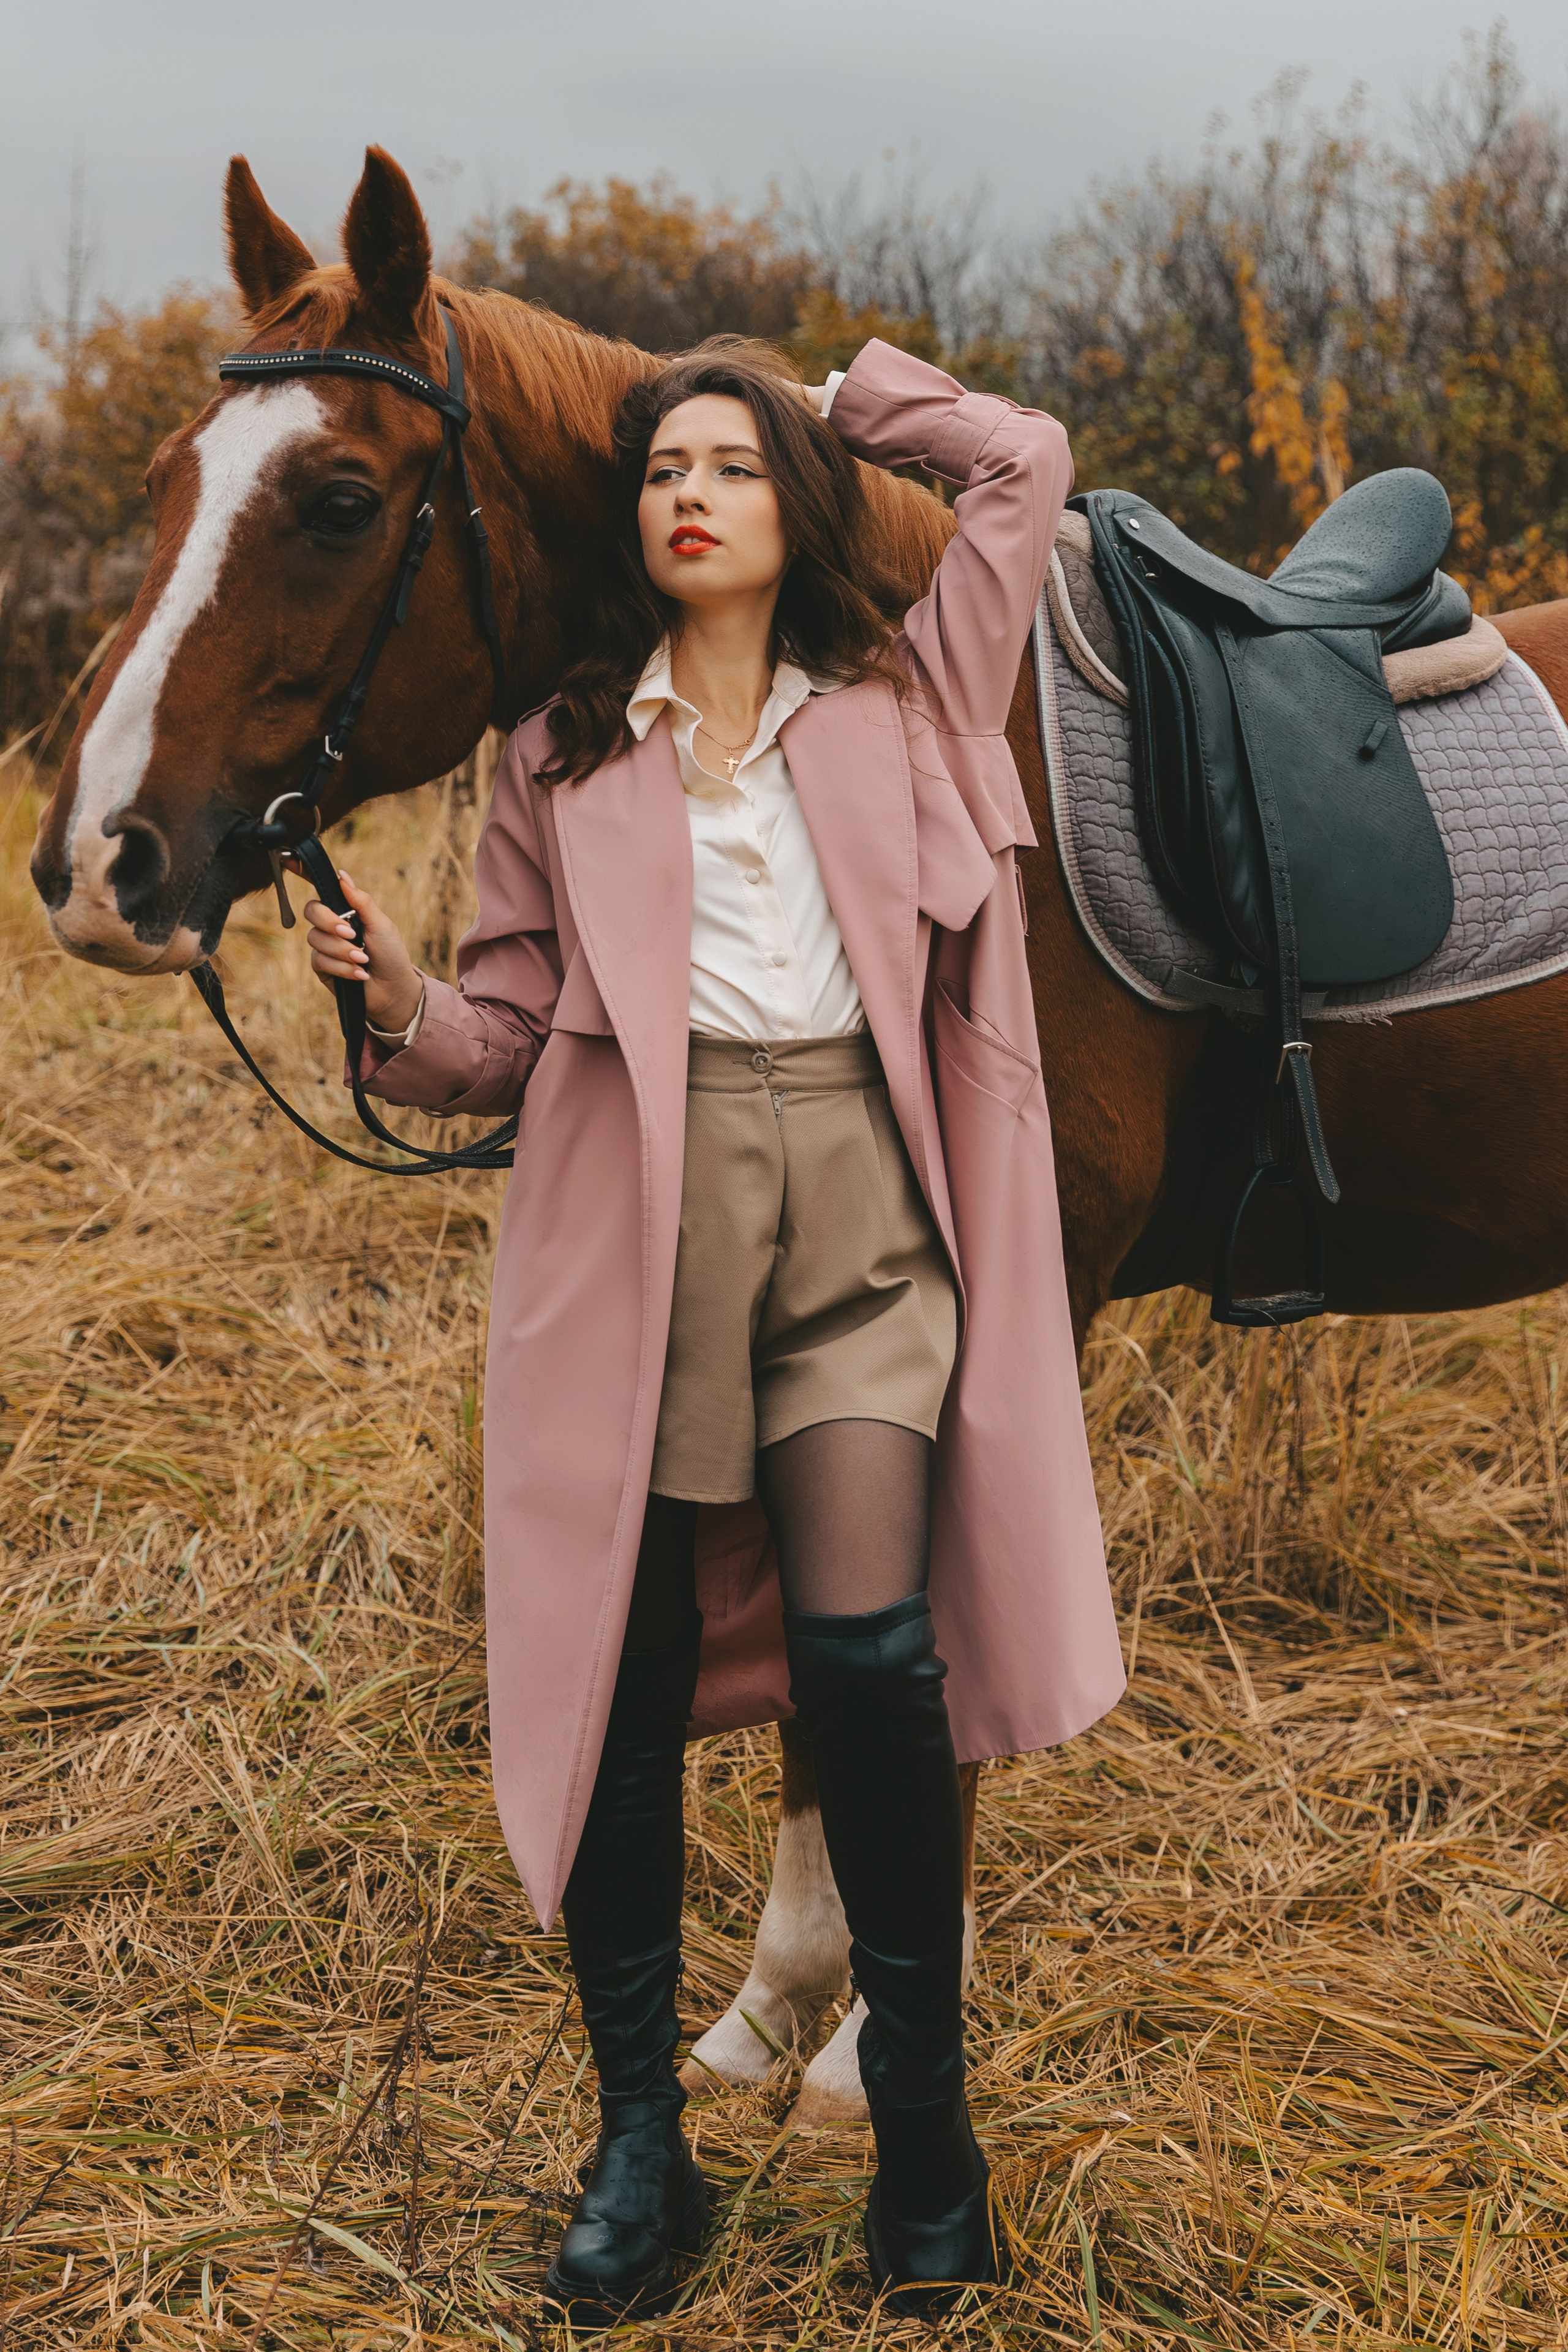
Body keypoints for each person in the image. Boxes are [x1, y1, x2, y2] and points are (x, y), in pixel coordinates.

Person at [298, 339, 1125, 2321]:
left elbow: (1024, 466)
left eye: (731, 467)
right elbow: (498, 1050)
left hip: (859, 1207)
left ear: (791, 509)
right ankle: (638, 2147)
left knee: (872, 1653)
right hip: (650, 1233)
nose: (689, 492)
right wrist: (404, 997)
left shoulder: (915, 691)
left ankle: (924, 2135)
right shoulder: (564, 755)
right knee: (632, 1675)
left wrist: (841, 394)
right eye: (663, 466)